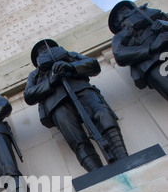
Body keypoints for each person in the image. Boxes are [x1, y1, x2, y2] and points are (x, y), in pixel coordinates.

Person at [24, 39, 128, 172]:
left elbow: (93, 65)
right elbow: (29, 94)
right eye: (41, 50)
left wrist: (71, 67)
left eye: (48, 47)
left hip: (82, 90)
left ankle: (123, 157)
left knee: (103, 115)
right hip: (56, 104)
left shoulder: (70, 56)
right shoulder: (35, 74)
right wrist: (51, 81)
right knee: (75, 138)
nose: (45, 50)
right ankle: (96, 172)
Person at [109, 0, 168, 100]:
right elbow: (119, 54)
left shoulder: (157, 16)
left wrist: (165, 24)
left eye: (128, 9)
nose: (127, 11)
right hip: (152, 65)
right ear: (117, 22)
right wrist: (151, 47)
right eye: (121, 12)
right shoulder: (120, 35)